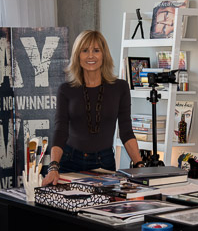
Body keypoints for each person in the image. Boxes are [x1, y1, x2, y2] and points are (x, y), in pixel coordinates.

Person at [43, 30, 144, 186]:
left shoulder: (120, 87)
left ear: (104, 55)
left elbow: (126, 131)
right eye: (85, 51)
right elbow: (60, 130)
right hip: (69, 161)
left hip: (105, 162)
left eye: (96, 50)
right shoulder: (66, 89)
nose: (91, 56)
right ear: (78, 55)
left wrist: (139, 165)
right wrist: (53, 166)